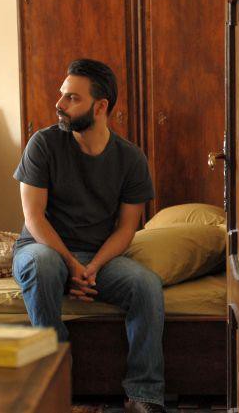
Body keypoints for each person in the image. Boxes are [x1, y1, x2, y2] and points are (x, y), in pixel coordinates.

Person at [12, 59, 166, 412]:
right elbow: (34, 218)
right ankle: (54, 381)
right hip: (42, 247)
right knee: (42, 265)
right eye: (62, 95)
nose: (59, 104)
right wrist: (71, 265)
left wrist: (92, 267)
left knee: (146, 285)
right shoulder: (43, 144)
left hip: (98, 257)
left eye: (72, 98)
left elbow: (126, 228)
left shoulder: (131, 159)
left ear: (100, 107)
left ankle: (144, 394)